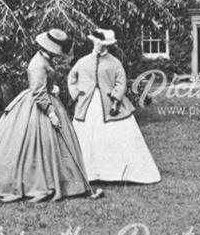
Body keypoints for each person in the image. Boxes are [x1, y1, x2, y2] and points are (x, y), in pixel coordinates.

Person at [0, 29, 102, 202]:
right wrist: (51, 113)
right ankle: (39, 183)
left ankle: (65, 182)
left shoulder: (45, 58)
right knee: (36, 145)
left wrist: (52, 89)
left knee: (55, 146)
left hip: (46, 99)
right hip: (38, 107)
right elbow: (38, 94)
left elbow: (43, 86)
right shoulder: (38, 63)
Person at [68, 29, 161, 184]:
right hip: (88, 106)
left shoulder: (114, 62)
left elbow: (121, 82)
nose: (102, 47)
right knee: (87, 137)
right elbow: (72, 77)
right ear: (94, 42)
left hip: (111, 104)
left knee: (117, 136)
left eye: (106, 45)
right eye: (100, 44)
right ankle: (89, 173)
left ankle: (117, 173)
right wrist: (77, 93)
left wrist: (116, 97)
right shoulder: (83, 62)